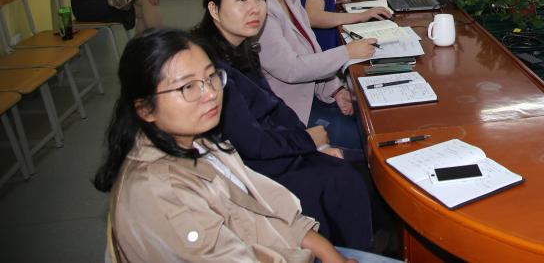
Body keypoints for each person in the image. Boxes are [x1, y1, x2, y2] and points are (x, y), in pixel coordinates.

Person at [92, 29, 365, 263]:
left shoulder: (203, 142)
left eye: (211, 77)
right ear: (145, 109)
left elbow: (268, 209)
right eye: (188, 87)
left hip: (285, 249)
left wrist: (330, 254)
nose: (211, 94)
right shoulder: (162, 194)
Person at [195, 0, 374, 250]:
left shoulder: (241, 49)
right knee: (352, 173)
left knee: (360, 163)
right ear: (214, 9)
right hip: (250, 174)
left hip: (276, 149)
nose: (254, 9)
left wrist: (309, 142)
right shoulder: (210, 68)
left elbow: (275, 107)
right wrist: (308, 143)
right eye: (241, 0)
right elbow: (250, 143)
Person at [257, 0, 376, 151]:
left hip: (313, 97)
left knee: (369, 120)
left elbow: (312, 51)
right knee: (366, 140)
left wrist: (335, 90)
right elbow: (292, 69)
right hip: (291, 114)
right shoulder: (260, 10)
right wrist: (347, 52)